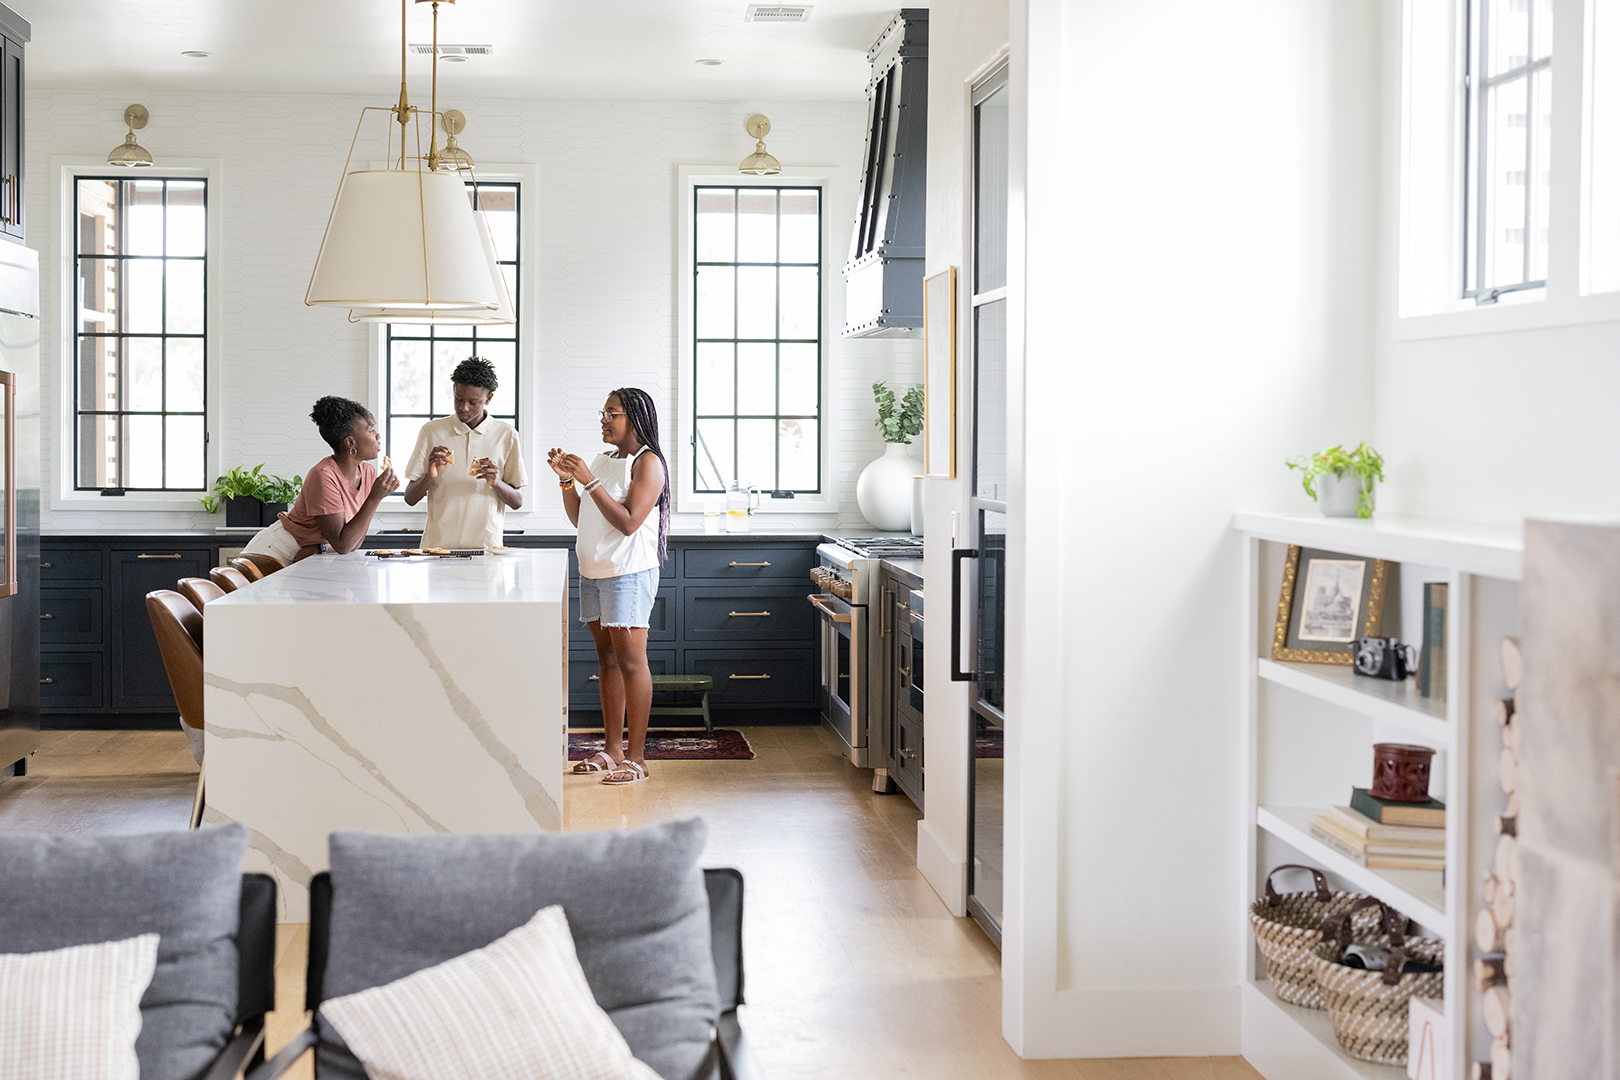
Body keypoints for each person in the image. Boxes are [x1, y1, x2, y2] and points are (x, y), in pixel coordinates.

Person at [549, 388, 670, 786]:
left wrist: (590, 479)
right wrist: (569, 482)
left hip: (628, 573)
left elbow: (630, 521)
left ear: (634, 418)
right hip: (595, 571)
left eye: (611, 413)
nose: (603, 419)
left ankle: (636, 757)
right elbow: (580, 518)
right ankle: (612, 749)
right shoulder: (604, 459)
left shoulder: (648, 462)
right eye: (603, 412)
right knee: (607, 662)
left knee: (632, 662)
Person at [242, 397, 399, 563]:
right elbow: (343, 544)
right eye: (371, 430)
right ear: (350, 443)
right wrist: (375, 498)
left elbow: (353, 542)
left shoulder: (368, 472)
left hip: (306, 554)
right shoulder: (323, 475)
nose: (378, 435)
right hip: (276, 550)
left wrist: (322, 548)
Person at [402, 357, 526, 550]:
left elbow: (517, 501)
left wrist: (496, 482)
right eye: (458, 399)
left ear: (489, 398)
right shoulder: (432, 431)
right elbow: (409, 498)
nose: (463, 407)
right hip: (437, 550)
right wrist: (429, 476)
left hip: (487, 551)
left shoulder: (507, 435)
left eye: (473, 402)